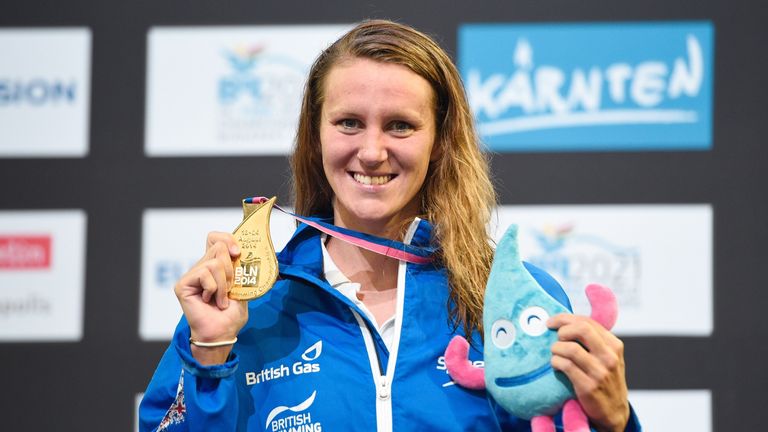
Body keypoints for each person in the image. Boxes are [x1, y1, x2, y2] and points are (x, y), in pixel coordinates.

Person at [140, 20, 641, 432]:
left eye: (400, 125)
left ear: (438, 142)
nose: (373, 151)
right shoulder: (246, 306)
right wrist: (210, 356)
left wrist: (615, 421)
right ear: (315, 138)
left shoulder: (509, 300)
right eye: (349, 123)